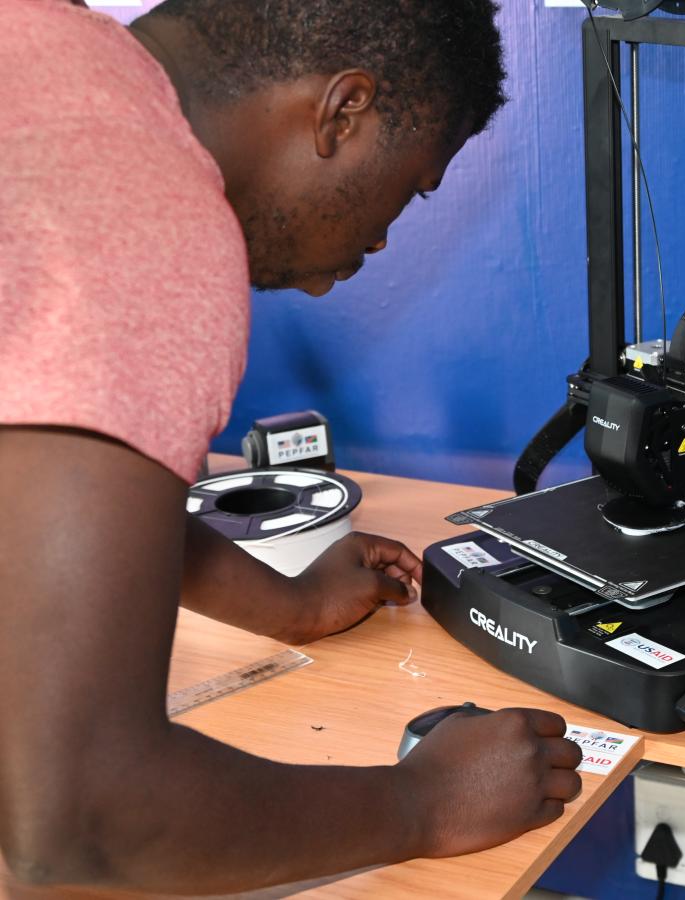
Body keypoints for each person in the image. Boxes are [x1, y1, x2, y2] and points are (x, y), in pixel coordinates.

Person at [0, 0, 583, 891]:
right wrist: (424, 803)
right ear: (343, 111)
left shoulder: (41, 51)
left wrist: (289, 606)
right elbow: (82, 819)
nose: (386, 234)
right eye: (413, 184)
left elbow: (41, 497)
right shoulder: (140, 219)